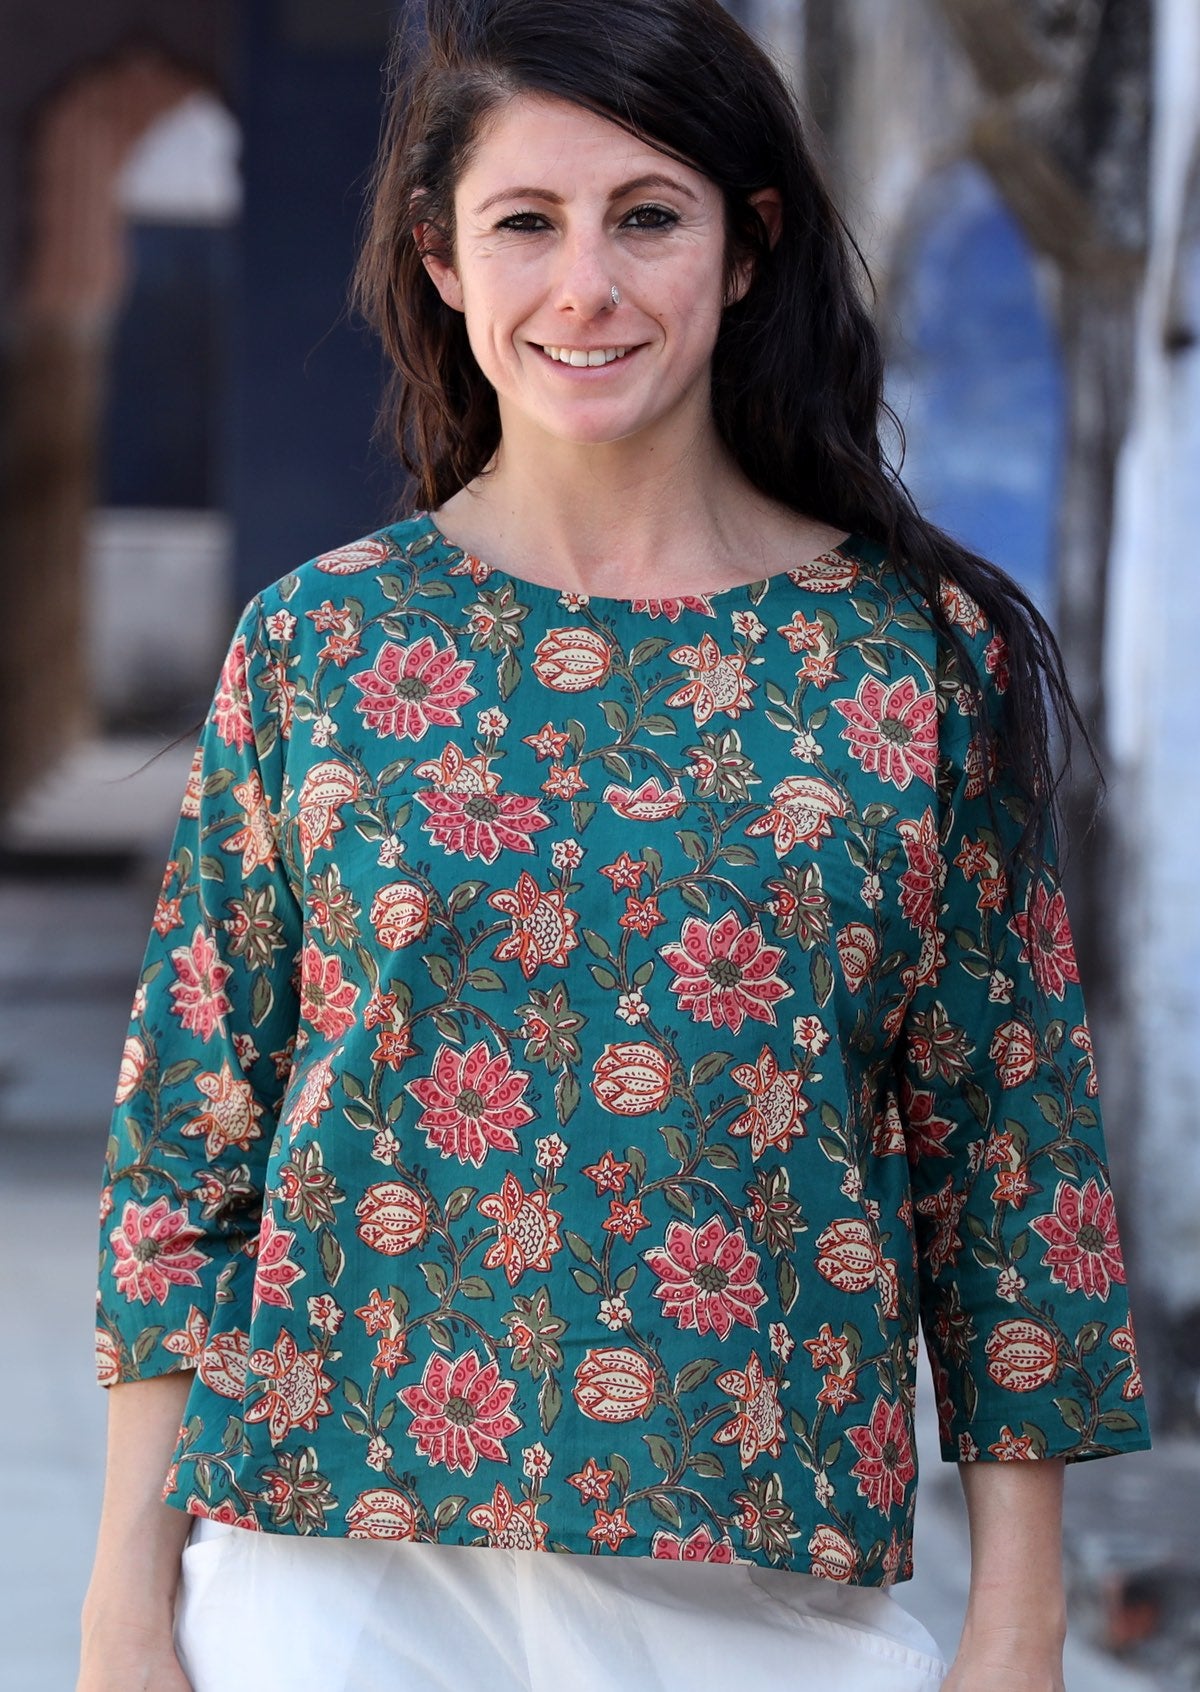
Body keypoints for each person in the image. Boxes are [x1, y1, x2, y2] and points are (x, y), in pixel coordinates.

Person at [78, 2, 1152, 1689]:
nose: (585, 285)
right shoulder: (323, 647)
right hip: (334, 1569)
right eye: (526, 222)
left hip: (764, 1581)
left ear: (746, 247)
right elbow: (188, 1148)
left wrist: (1021, 1622)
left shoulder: (913, 662)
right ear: (442, 260)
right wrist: (123, 1600)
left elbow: (1011, 1162)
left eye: (648, 216)